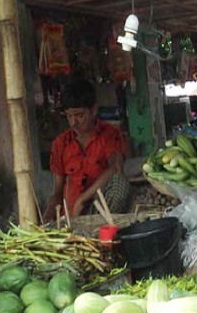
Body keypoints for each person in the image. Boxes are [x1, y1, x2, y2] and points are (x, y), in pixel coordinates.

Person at [43, 79, 131, 221]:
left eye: (79, 115)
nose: (73, 123)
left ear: (94, 110)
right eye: (69, 116)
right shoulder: (60, 143)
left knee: (120, 184)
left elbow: (116, 167)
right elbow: (57, 192)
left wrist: (83, 199)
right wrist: (47, 218)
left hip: (100, 213)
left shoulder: (109, 134)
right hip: (71, 218)